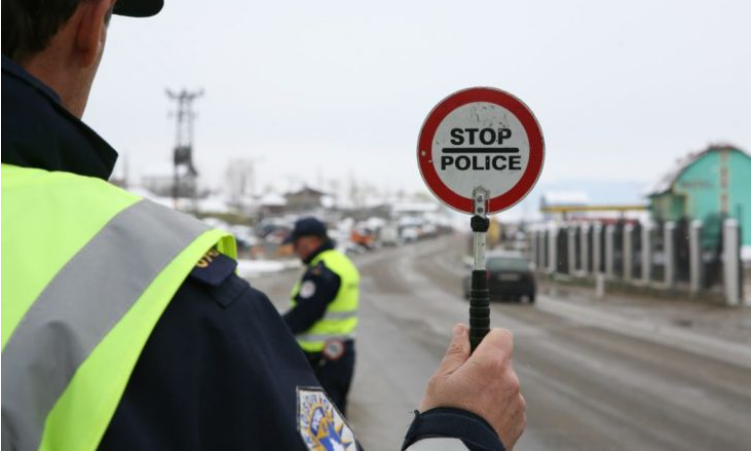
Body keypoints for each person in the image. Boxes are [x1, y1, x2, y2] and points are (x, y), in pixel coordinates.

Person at [1, 0, 527, 450]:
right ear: (90, 24)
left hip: (332, 357)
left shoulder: (321, 269)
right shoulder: (160, 285)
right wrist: (461, 429)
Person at [282, 217, 359, 415]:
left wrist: (273, 329)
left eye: (296, 244)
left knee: (319, 421)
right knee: (333, 419)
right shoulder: (340, 261)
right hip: (338, 355)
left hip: (321, 360)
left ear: (310, 242)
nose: (295, 250)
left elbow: (304, 315)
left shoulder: (322, 271)